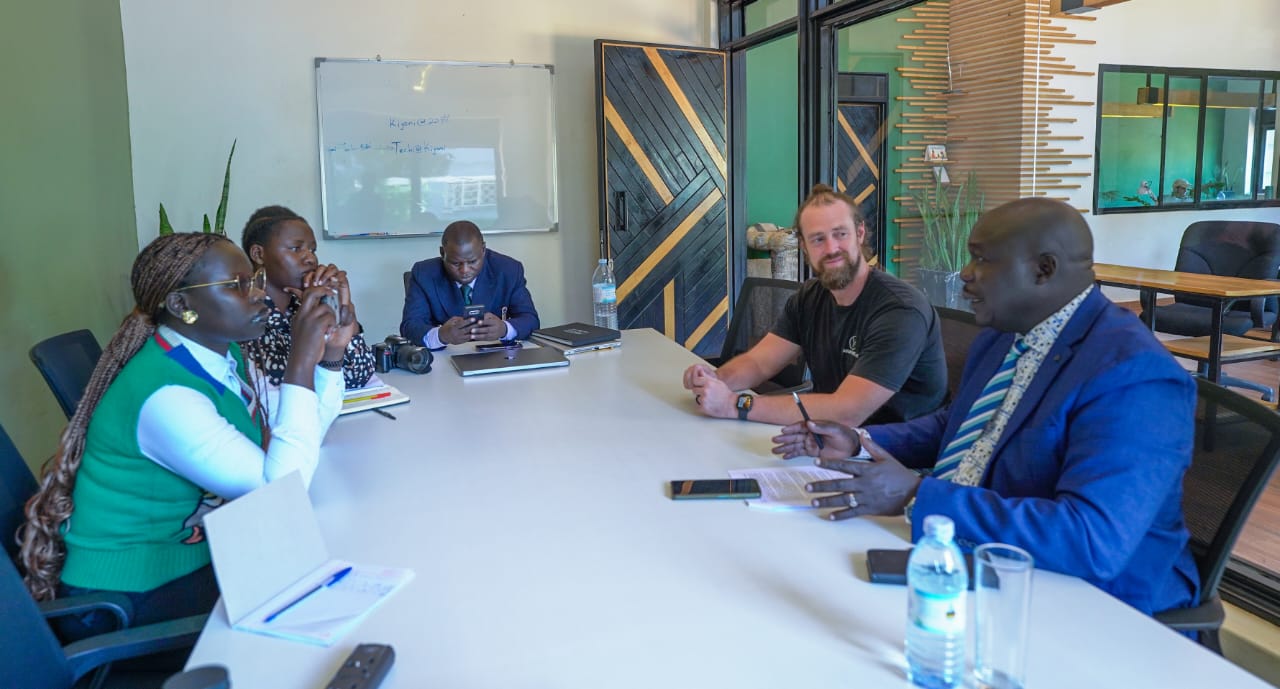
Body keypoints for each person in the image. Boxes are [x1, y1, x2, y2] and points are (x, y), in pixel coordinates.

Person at [772, 197, 1199, 615]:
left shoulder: (1135, 375)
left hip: (1098, 607)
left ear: (1043, 269)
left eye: (982, 259)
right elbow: (955, 426)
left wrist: (917, 494)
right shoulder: (1004, 335)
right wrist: (859, 441)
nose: (965, 273)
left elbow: (1090, 540)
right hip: (975, 561)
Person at [19, 232, 349, 643]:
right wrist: (301, 358)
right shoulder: (167, 396)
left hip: (194, 553)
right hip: (126, 595)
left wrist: (330, 356)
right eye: (237, 285)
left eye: (255, 280)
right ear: (181, 305)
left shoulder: (218, 354)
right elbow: (280, 491)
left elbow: (301, 437)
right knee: (319, 607)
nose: (259, 296)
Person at [684, 184, 947, 427]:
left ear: (860, 233)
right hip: (829, 440)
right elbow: (759, 363)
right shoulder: (809, 298)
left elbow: (847, 411)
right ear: (804, 247)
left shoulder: (899, 311)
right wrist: (714, 380)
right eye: (818, 239)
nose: (831, 248)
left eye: (840, 234)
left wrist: (735, 404)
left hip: (896, 454)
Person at [240, 205, 375, 389]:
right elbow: (271, 387)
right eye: (296, 248)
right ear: (258, 254)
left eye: (312, 250)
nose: (311, 259)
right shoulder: (242, 314)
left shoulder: (309, 305)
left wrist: (342, 309)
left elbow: (358, 376)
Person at [401, 220, 540, 347]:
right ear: (443, 253)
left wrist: (504, 329)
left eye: (472, 262)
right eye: (456, 263)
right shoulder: (424, 274)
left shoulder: (508, 270)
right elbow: (410, 326)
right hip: (444, 358)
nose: (465, 270)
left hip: (497, 356)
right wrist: (441, 335)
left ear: (483, 250)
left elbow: (530, 320)